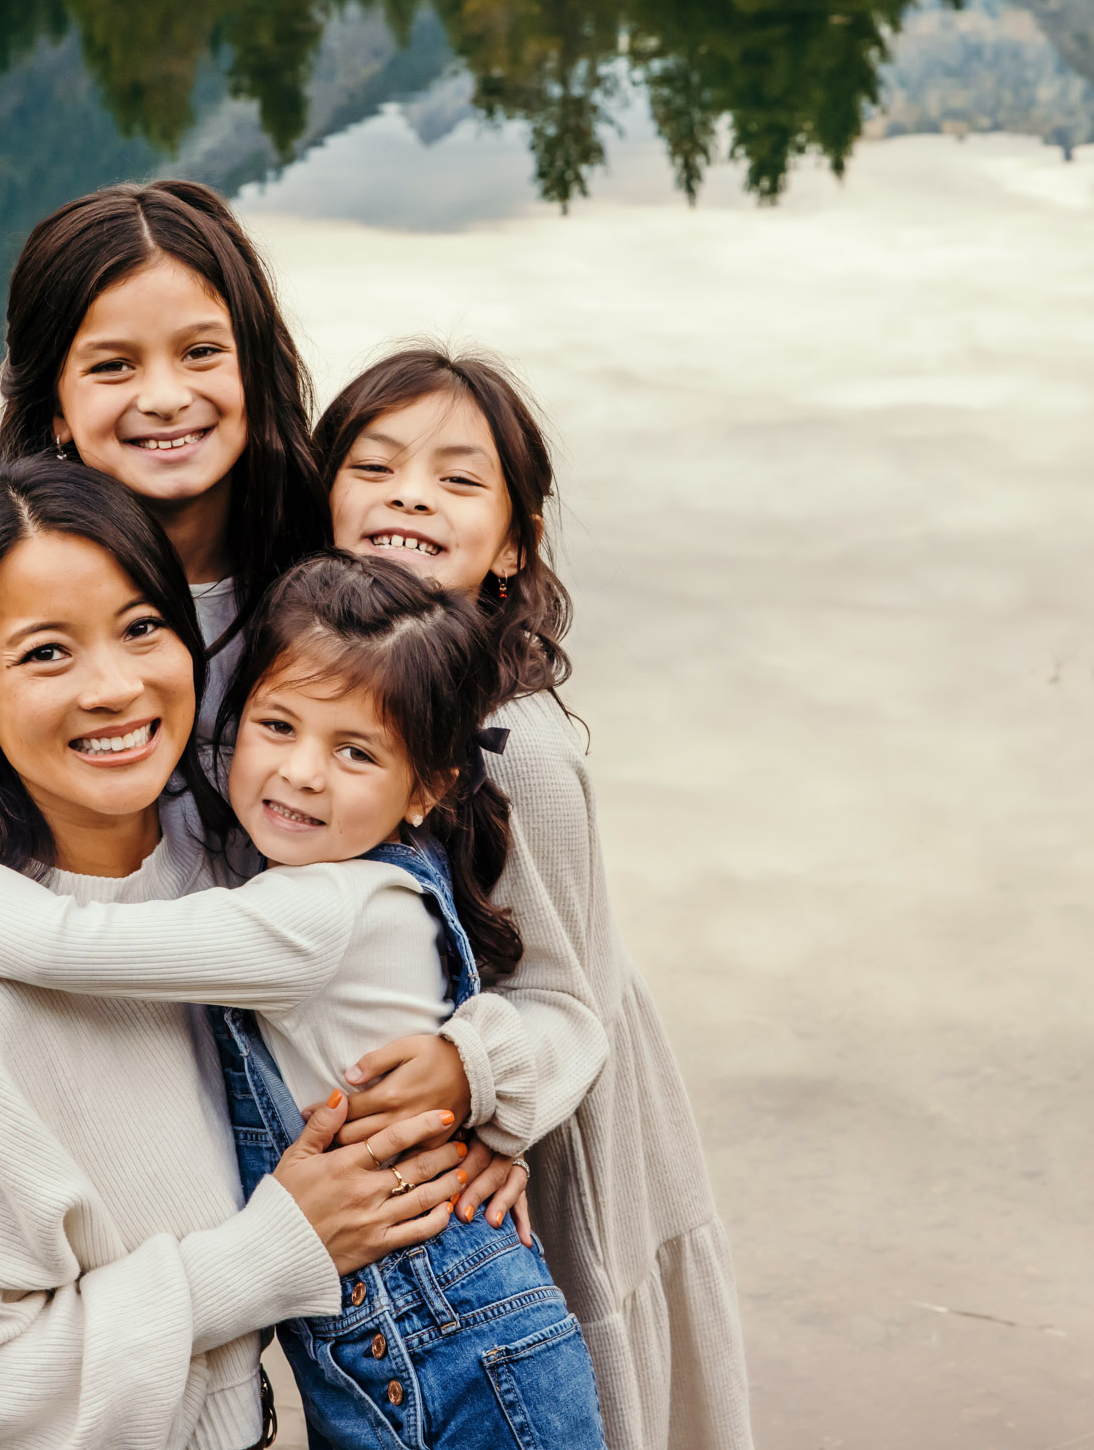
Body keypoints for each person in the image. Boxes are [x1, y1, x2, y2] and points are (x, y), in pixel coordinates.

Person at [0, 183, 555, 1406]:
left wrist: (488, 1083)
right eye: (110, 364)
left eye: (202, 351)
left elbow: (525, 958)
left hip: (230, 1114)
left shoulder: (326, 597)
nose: (165, 396)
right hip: (54, 1113)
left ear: (256, 359)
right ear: (50, 404)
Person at [0, 551, 607, 1448]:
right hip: (402, 1334)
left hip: (451, 1341)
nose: (301, 773)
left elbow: (79, 945)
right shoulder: (329, 877)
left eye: (355, 752)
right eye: (278, 725)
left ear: (428, 789)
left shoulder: (320, 915)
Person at [310, 348, 753, 1450]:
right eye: (375, 466)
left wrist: (479, 1079)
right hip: (449, 1114)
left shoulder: (517, 754)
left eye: (459, 481)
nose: (411, 491)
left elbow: (572, 994)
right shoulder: (316, 697)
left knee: (574, 1361)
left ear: (513, 545)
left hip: (557, 1116)